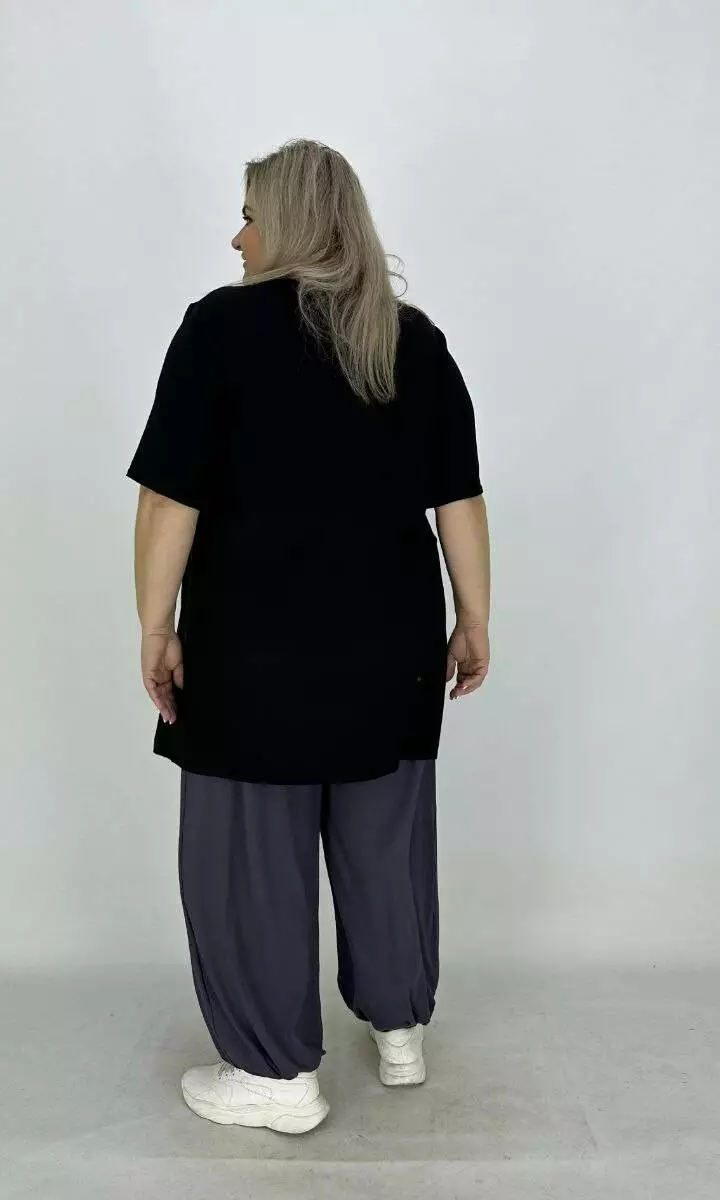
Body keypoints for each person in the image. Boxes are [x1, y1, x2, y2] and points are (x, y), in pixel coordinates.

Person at [127, 139, 491, 1135]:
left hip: (254, 650)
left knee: (251, 859)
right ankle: (400, 1029)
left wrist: (155, 624)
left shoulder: (218, 329)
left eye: (249, 213)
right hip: (395, 643)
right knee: (385, 840)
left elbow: (168, 499)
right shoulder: (410, 338)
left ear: (287, 220)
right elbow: (458, 497)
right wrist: (474, 617)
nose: (236, 236)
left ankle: (274, 1075)